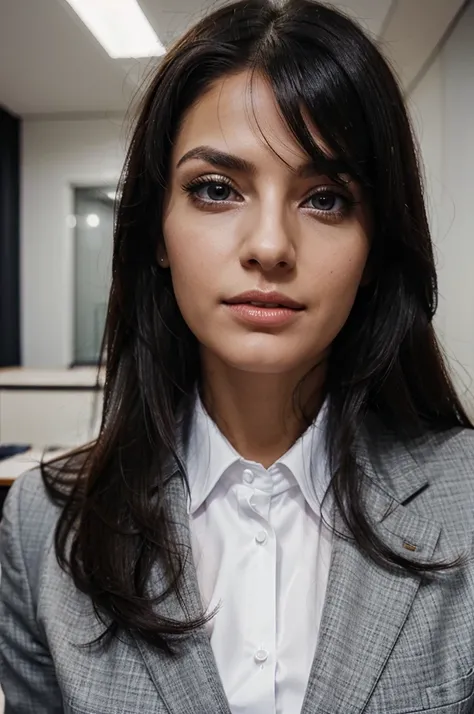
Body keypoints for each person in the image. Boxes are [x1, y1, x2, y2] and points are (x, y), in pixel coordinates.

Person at [1, 0, 474, 711]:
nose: (270, 246)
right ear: (156, 231)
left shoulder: (465, 500)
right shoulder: (43, 522)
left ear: (376, 247)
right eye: (216, 190)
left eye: (325, 199)